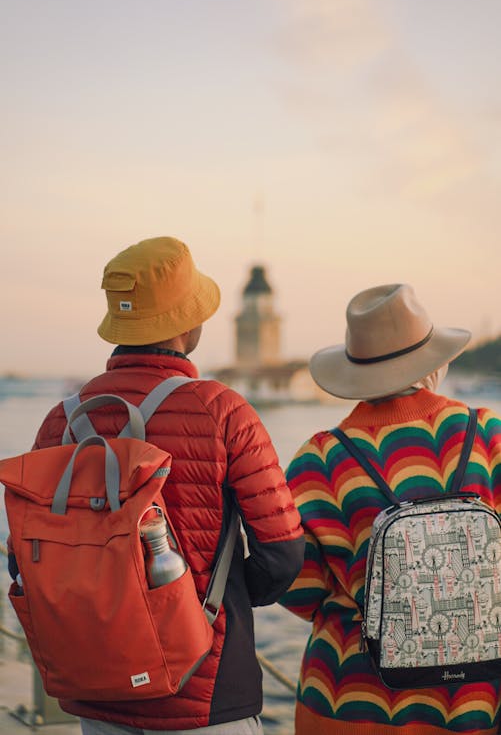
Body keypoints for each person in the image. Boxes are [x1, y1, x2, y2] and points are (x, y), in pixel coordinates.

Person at [29, 236, 305, 735]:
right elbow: (282, 555)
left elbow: (29, 552)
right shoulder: (222, 410)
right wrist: (214, 604)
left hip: (95, 680)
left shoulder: (59, 422)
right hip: (202, 684)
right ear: (188, 321)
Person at [279, 283, 501, 735]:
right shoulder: (488, 435)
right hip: (472, 697)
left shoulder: (318, 458)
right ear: (433, 363)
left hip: (347, 699)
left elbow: (297, 588)